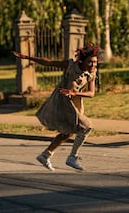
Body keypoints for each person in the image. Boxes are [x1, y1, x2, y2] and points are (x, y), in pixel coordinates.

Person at [12, 42, 101, 171]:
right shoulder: (71, 65)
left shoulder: (92, 73)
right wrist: (28, 57)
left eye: (95, 62)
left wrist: (76, 93)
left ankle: (45, 155)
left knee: (67, 132)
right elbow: (49, 62)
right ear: (82, 61)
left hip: (74, 102)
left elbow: (91, 93)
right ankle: (72, 157)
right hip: (61, 101)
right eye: (90, 62)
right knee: (87, 126)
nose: (93, 65)